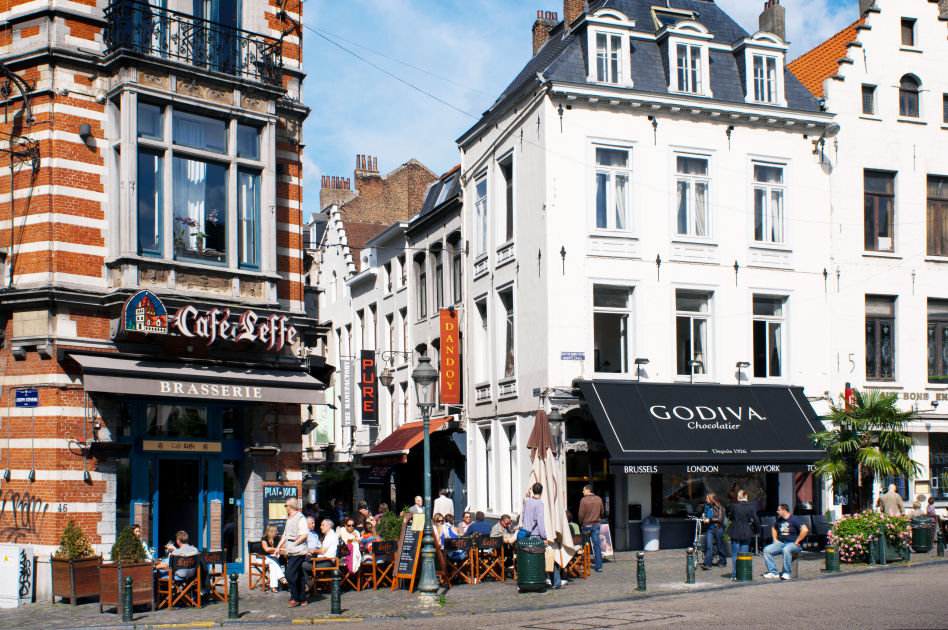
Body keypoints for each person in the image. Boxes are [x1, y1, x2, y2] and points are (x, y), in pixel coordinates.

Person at [522, 482, 564, 589]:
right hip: (536, 535)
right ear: (542, 491)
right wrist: (544, 537)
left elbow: (524, 517)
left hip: (526, 534)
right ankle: (556, 581)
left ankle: (532, 579)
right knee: (546, 558)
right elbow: (540, 522)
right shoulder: (539, 504)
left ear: (532, 490)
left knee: (530, 559)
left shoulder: (527, 502)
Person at [276, 498, 308, 607]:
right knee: (298, 574)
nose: (285, 508)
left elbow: (304, 534)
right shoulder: (289, 518)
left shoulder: (300, 518)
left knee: (289, 574)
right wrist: (278, 547)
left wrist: (295, 544)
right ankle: (302, 598)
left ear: (290, 506)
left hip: (298, 551)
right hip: (291, 551)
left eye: (286, 506)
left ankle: (294, 597)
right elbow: (285, 534)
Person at [762, 503, 808, 580]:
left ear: (784, 510)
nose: (777, 511)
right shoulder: (779, 520)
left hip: (793, 544)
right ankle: (773, 572)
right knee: (767, 550)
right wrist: (775, 539)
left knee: (786, 549)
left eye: (778, 510)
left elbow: (805, 530)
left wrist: (797, 541)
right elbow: (774, 528)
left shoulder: (794, 519)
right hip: (782, 543)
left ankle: (786, 573)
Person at [726, 490, 761, 582]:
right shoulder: (751, 507)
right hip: (746, 530)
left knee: (735, 554)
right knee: (744, 553)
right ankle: (743, 573)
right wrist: (758, 531)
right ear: (746, 497)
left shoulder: (735, 506)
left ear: (738, 497)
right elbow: (756, 520)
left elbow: (730, 517)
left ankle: (735, 574)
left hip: (736, 530)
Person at [578, 484, 605, 573]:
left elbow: (581, 514)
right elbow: (602, 512)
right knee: (596, 545)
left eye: (584, 490)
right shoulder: (599, 499)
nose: (583, 492)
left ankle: (582, 565)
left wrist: (580, 522)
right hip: (596, 524)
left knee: (584, 546)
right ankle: (599, 566)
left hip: (586, 525)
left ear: (588, 491)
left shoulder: (584, 500)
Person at [700, 492, 727, 570]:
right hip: (709, 529)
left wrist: (710, 520)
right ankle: (707, 563)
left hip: (717, 528)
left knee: (720, 546)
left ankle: (722, 561)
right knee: (708, 546)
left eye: (707, 498)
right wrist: (704, 516)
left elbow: (720, 519)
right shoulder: (707, 507)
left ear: (711, 499)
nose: (706, 499)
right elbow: (705, 514)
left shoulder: (719, 508)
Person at [260, 524, 288, 593]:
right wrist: (277, 548)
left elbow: (284, 546)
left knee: (272, 565)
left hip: (272, 559)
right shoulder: (264, 539)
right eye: (276, 531)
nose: (277, 532)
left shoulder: (277, 538)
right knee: (273, 561)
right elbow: (266, 549)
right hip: (262, 558)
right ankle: (282, 577)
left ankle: (273, 586)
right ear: (271, 531)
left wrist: (280, 547)